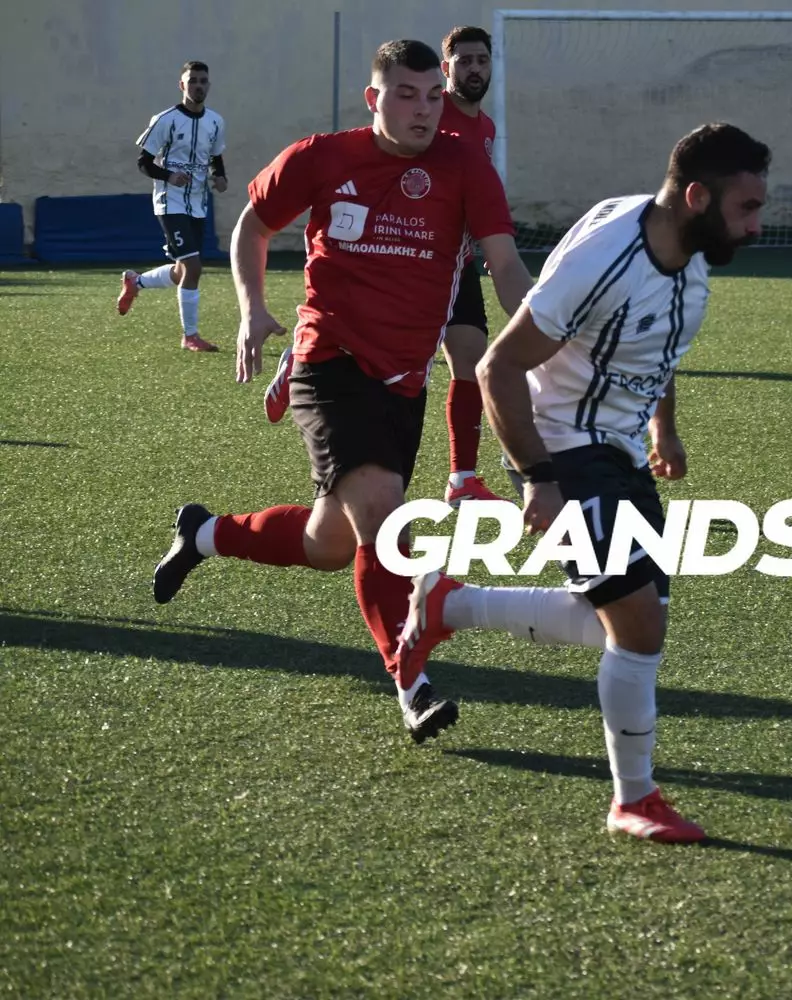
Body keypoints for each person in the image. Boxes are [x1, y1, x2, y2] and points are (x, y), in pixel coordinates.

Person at [395, 123, 770, 843]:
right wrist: (538, 477)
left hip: (619, 450)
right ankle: (634, 799)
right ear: (697, 197)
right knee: (639, 625)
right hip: (560, 443)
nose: (756, 225)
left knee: (619, 620)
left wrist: (663, 428)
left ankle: (448, 604)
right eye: (746, 208)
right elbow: (497, 368)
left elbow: (659, 344)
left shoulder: (689, 252)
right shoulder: (608, 256)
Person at [151, 40, 525, 743]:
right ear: (373, 98)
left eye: (433, 96)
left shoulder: (465, 163)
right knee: (383, 518)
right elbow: (253, 224)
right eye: (406, 95)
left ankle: (202, 533)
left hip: (404, 378)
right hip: (329, 361)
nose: (423, 110)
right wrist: (253, 310)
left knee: (328, 542)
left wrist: (546, 334)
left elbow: (504, 264)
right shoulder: (322, 157)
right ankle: (412, 682)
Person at [264, 26, 534, 509]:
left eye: (482, 60)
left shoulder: (484, 131)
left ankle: (461, 477)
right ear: (446, 69)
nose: (475, 69)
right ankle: (306, 357)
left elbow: (500, 246)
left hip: (454, 264)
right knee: (376, 509)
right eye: (465, 61)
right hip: (400, 274)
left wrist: (543, 320)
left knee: (471, 362)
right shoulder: (423, 118)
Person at [116, 61, 228, 352]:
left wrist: (219, 176)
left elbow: (215, 157)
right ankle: (190, 336)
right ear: (182, 85)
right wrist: (169, 176)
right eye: (192, 81)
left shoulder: (215, 121)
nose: (198, 86)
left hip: (198, 204)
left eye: (203, 81)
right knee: (193, 267)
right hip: (170, 201)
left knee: (182, 271)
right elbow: (144, 162)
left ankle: (136, 282)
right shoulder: (166, 119)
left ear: (209, 85)